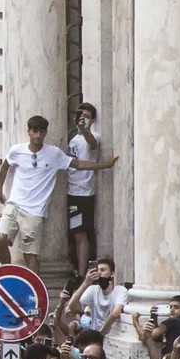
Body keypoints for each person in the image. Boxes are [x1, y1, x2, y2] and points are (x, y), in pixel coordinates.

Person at [0, 115, 117, 272]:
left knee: (30, 255)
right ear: (29, 132)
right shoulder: (17, 150)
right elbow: (5, 166)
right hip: (14, 204)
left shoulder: (54, 153)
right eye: (35, 131)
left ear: (45, 133)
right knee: (0, 239)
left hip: (34, 211)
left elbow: (77, 164)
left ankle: (34, 293)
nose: (38, 135)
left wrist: (104, 165)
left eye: (42, 132)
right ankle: (7, 272)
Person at [66, 102, 101, 276]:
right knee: (74, 232)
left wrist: (85, 129)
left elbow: (93, 144)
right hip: (71, 190)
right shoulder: (73, 139)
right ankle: (76, 266)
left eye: (86, 116)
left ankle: (82, 273)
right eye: (80, 115)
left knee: (81, 233)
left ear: (92, 120)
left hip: (83, 192)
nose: (82, 119)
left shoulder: (92, 135)